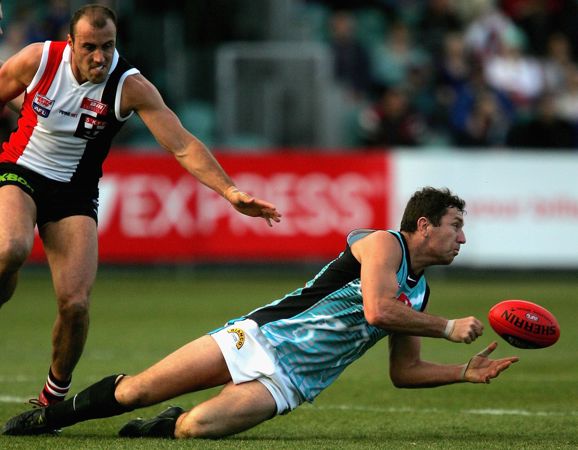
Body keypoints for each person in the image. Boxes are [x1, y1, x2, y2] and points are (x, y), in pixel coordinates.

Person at [2, 187, 519, 439]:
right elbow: (378, 310)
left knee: (194, 429)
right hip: (257, 338)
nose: (462, 238)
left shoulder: (420, 294)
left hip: (289, 383)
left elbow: (405, 372)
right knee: (135, 390)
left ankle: (166, 423)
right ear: (423, 225)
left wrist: (462, 373)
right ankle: (51, 418)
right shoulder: (384, 244)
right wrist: (448, 328)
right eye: (456, 226)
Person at [0, 4, 281, 408]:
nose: (100, 57)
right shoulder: (38, 59)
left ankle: (51, 399)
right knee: (11, 248)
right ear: (71, 43)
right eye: (90, 47)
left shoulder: (129, 86)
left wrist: (230, 191)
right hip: (21, 169)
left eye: (108, 46)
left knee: (75, 304)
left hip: (74, 193)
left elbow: (182, 144)